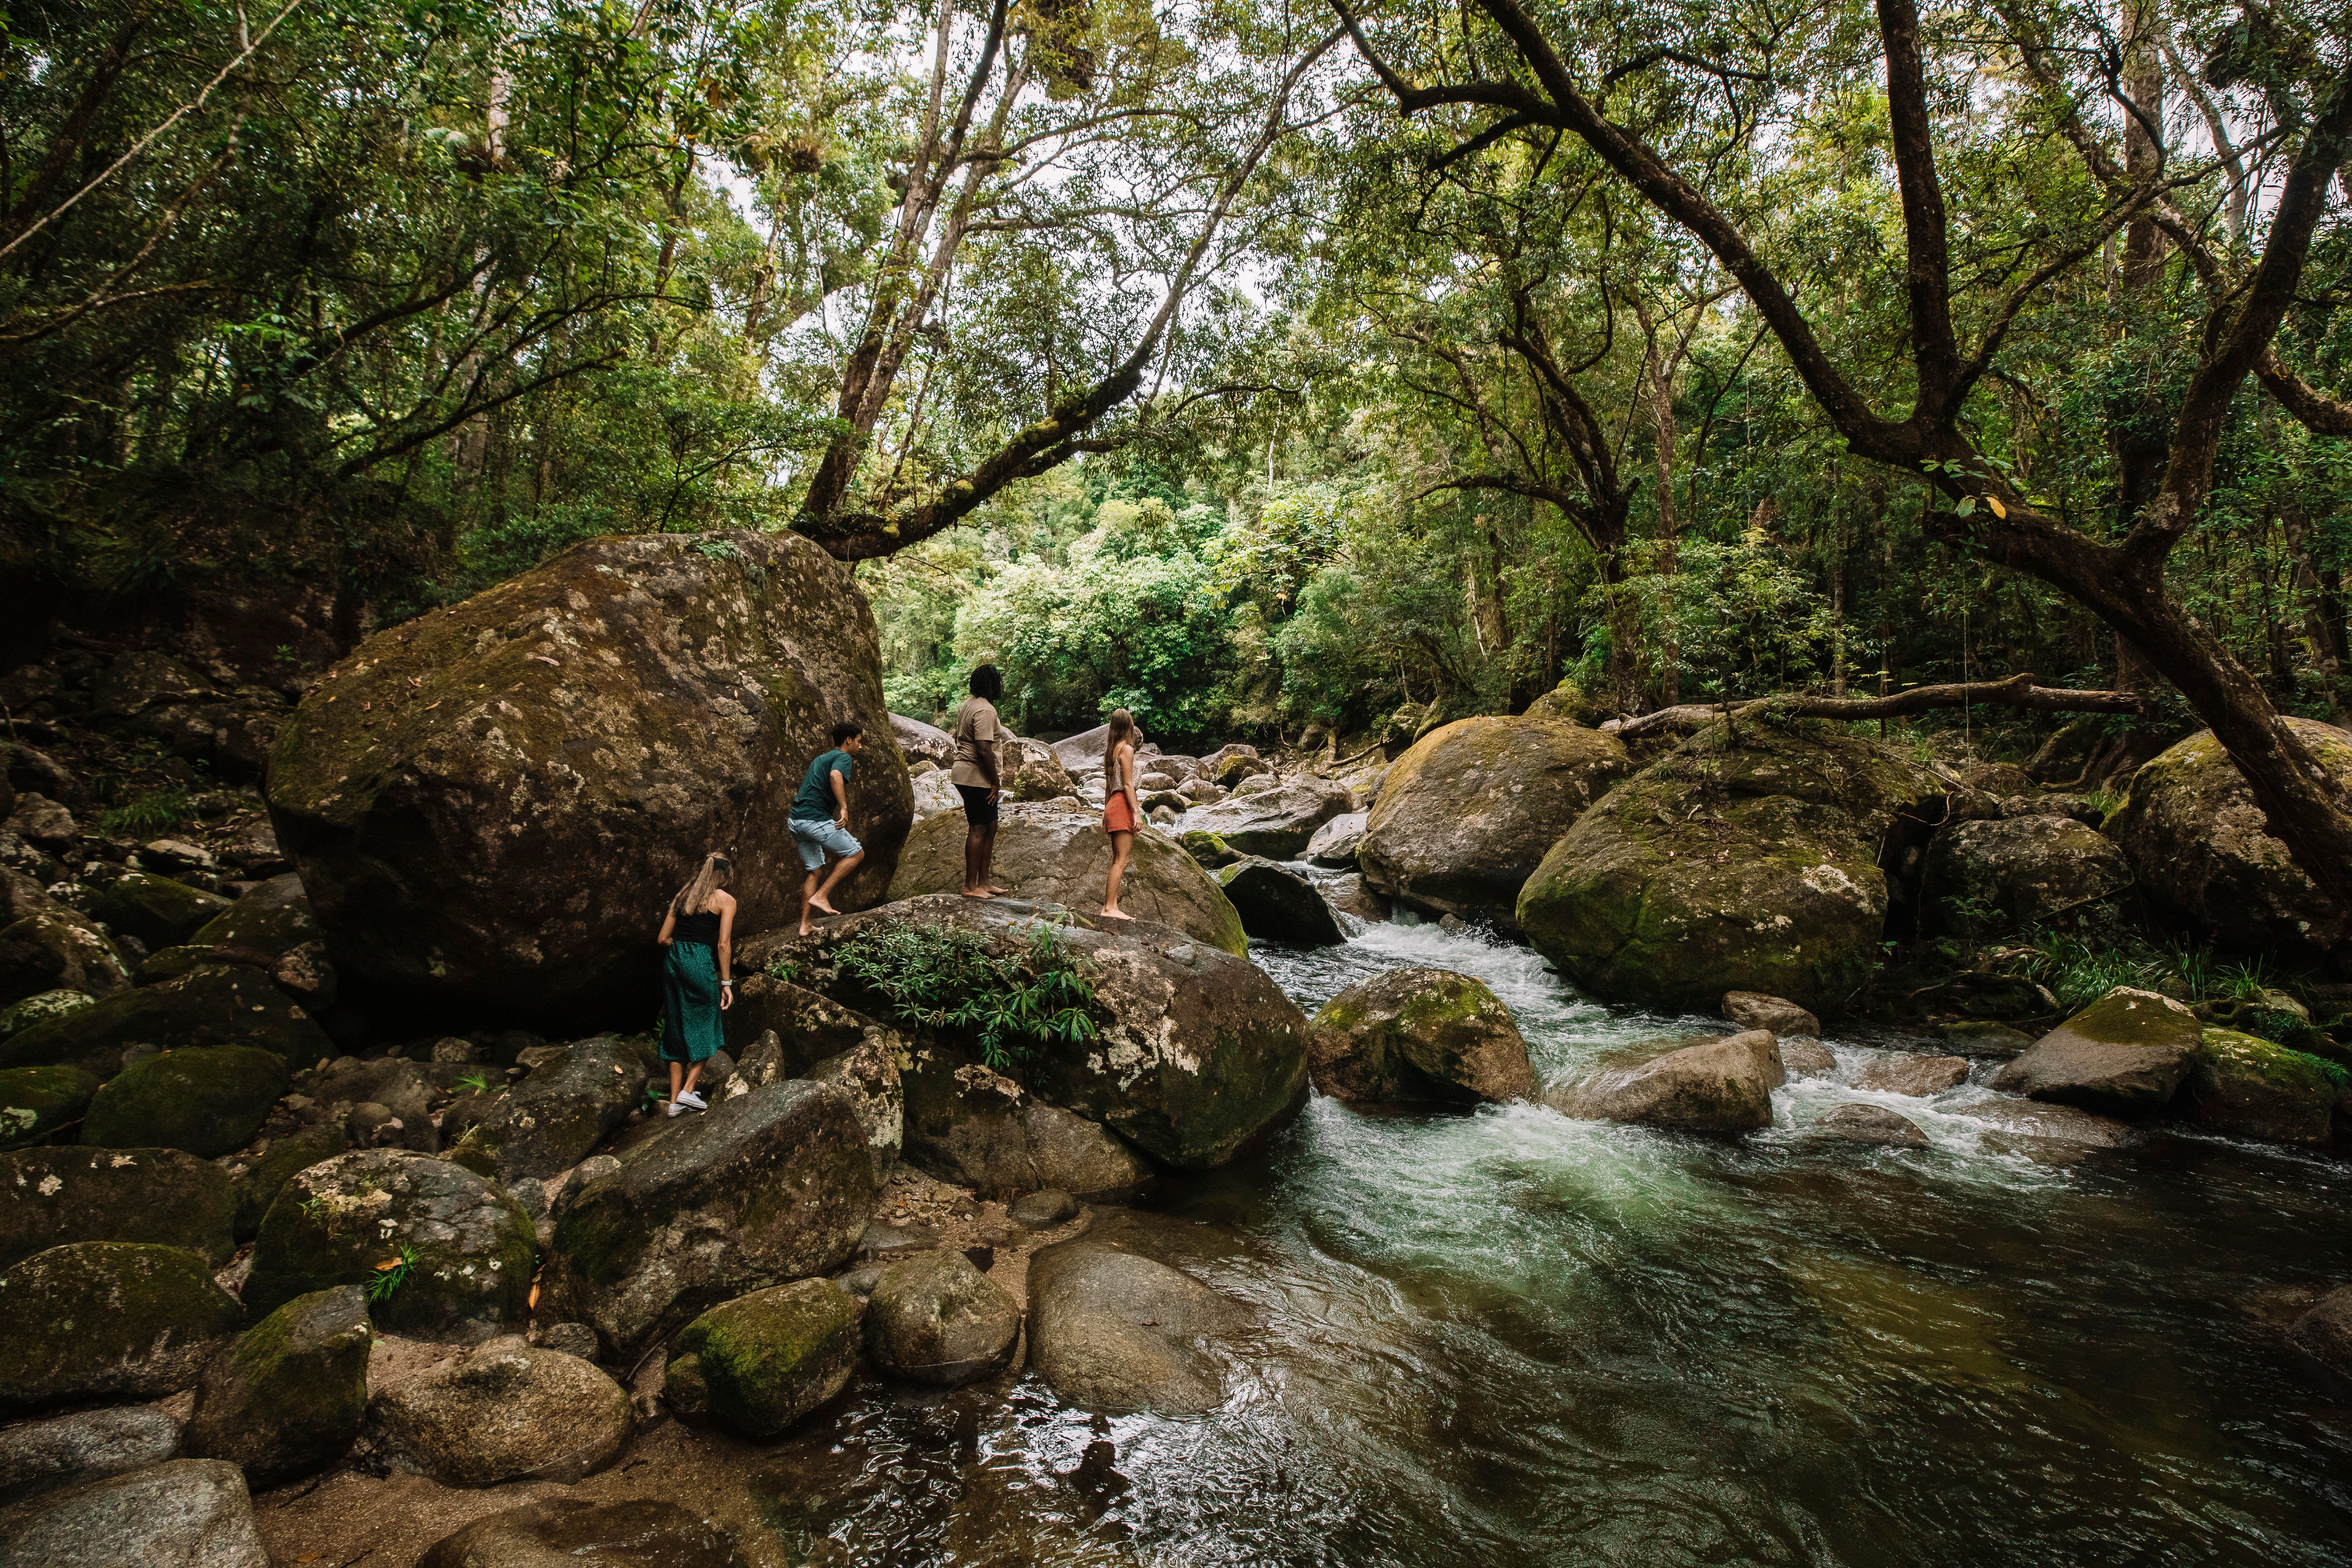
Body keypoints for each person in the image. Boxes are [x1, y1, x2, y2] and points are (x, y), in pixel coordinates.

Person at [655, 851, 734, 1117]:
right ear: (722, 875)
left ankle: (675, 1102)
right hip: (700, 960)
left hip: (674, 960)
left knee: (677, 1026)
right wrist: (726, 982)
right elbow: (723, 944)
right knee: (710, 1022)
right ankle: (689, 1090)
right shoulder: (726, 900)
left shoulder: (683, 896)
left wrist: (681, 952)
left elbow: (663, 938)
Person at [790, 721, 866, 936]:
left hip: (796, 821)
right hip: (814, 820)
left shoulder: (821, 758)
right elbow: (835, 776)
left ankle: (805, 925)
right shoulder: (843, 757)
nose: (861, 747)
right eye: (859, 742)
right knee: (856, 854)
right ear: (849, 741)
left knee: (815, 871)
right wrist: (844, 807)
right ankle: (822, 895)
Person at [951, 664, 1011, 898]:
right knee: (979, 827)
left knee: (991, 825)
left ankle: (984, 882)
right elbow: (984, 749)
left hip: (971, 774)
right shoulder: (985, 710)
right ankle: (970, 887)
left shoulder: (970, 703)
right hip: (974, 776)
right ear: (993, 685)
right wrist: (995, 781)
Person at [1098, 709, 1141, 920]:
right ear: (1130, 726)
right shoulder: (1127, 749)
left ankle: (1112, 905)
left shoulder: (1111, 751)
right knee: (1122, 860)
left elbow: (1108, 788)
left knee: (1117, 859)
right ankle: (1109, 907)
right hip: (1122, 804)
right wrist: (1137, 812)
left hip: (1113, 804)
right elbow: (1128, 784)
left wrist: (1106, 812)